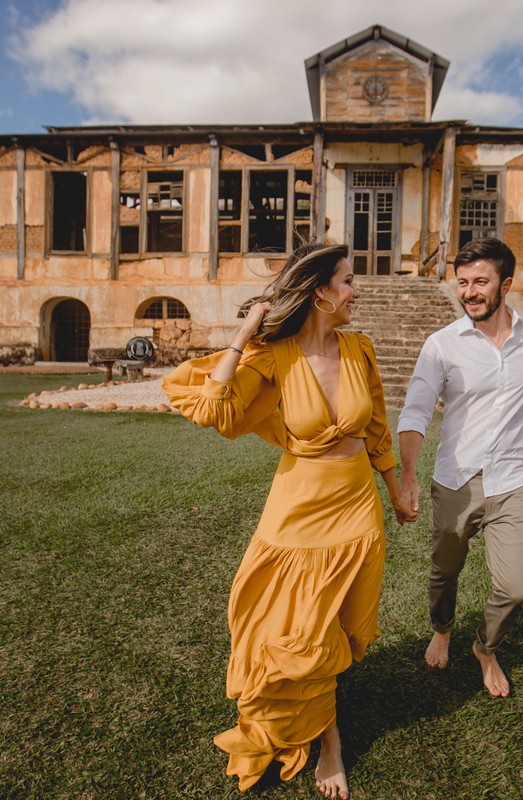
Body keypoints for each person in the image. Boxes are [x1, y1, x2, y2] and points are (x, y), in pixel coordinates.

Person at [163, 242, 416, 799]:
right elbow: (212, 410)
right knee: (282, 628)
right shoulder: (274, 355)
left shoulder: (360, 349)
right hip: (295, 509)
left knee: (322, 629)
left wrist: (399, 493)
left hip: (353, 508)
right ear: (320, 292)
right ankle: (298, 724)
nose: (356, 291)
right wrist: (244, 335)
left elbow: (375, 427)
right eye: (348, 281)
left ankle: (330, 746)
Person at [396, 237, 523, 697]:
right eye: (463, 282)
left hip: (514, 479)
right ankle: (442, 628)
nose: (469, 292)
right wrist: (408, 474)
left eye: (480, 282)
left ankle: (485, 648)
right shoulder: (441, 345)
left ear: (506, 284)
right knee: (444, 573)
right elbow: (415, 412)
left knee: (514, 590)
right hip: (455, 479)